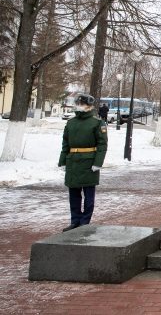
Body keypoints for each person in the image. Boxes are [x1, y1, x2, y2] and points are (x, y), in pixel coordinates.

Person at [58, 93, 108, 232]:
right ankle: (75, 221)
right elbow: (65, 143)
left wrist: (98, 163)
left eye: (83, 104)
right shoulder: (71, 122)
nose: (80, 106)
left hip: (89, 162)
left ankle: (84, 222)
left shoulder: (97, 122)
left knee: (88, 195)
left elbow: (102, 145)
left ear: (90, 106)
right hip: (73, 161)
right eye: (78, 103)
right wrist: (63, 161)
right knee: (73, 194)